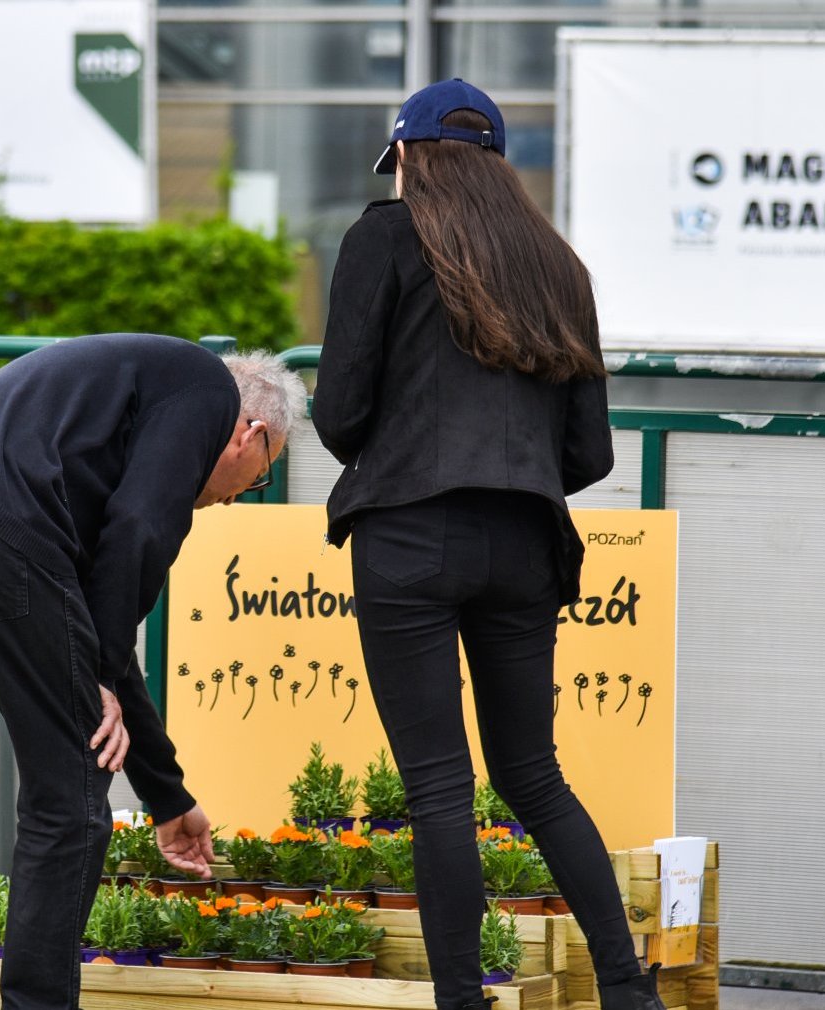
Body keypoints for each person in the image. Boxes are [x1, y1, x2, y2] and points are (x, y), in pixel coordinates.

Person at [312, 79, 661, 1010]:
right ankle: (627, 989)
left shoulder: (381, 240)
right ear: (499, 168)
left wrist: (400, 459)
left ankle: (464, 1003)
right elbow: (588, 452)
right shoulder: (561, 267)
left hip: (408, 536)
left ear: (411, 157)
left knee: (438, 789)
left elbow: (339, 409)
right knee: (534, 776)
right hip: (527, 544)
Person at [0, 334, 305, 1010]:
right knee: (71, 784)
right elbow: (142, 530)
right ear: (250, 433)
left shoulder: (83, 442)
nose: (238, 499)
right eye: (261, 476)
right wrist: (99, 682)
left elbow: (92, 642)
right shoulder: (206, 385)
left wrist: (166, 796)